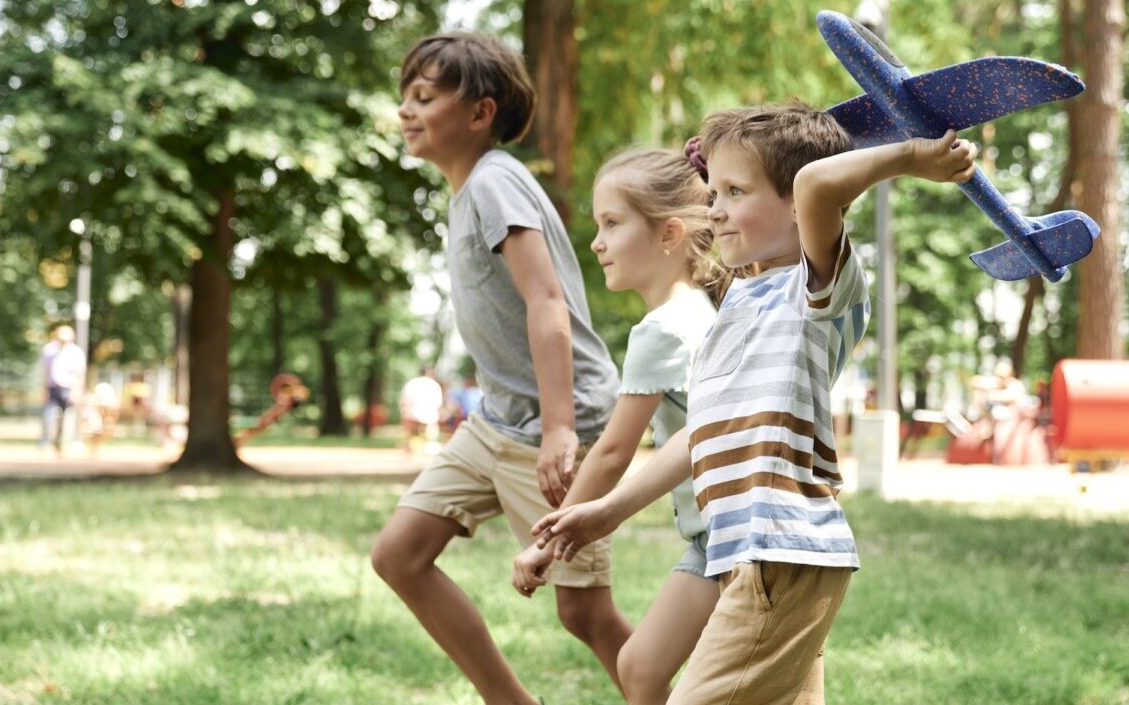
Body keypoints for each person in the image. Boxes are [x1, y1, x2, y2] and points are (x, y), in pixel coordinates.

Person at [533, 104, 978, 704]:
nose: (713, 207)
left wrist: (910, 156)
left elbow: (816, 184)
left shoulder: (817, 291)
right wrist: (609, 510)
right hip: (745, 551)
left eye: (734, 192)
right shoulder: (737, 304)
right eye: (712, 191)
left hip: (781, 551)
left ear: (797, 209)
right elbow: (697, 437)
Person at [369, 32, 631, 704]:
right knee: (398, 554)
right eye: (406, 96)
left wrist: (559, 429)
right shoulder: (468, 191)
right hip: (495, 420)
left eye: (424, 96)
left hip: (555, 420)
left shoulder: (495, 181)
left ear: (480, 114)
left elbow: (545, 301)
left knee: (584, 613)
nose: (407, 109)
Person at [508, 147, 722, 705]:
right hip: (716, 537)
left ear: (668, 234)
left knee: (646, 670)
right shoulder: (704, 309)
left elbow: (611, 451)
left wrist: (549, 541)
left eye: (612, 223)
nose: (597, 242)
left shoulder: (661, 330)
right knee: (639, 667)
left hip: (723, 540)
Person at [39, 324, 86, 453]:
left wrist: (77, 391)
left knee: (68, 419)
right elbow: (45, 371)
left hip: (68, 388)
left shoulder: (76, 352)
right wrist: (44, 389)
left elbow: (79, 374)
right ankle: (46, 443)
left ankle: (64, 443)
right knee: (49, 416)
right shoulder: (49, 350)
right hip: (52, 388)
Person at [399, 366, 445, 453]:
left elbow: (403, 400)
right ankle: (431, 444)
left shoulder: (411, 383)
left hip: (411, 414)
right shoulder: (433, 384)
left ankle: (407, 446)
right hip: (428, 414)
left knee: (410, 429)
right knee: (432, 426)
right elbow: (439, 403)